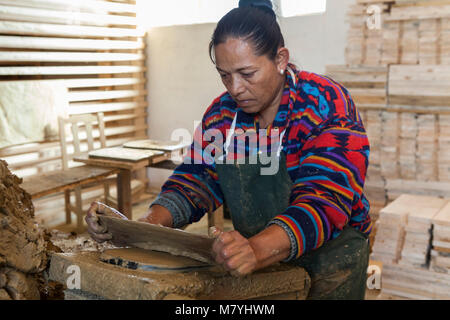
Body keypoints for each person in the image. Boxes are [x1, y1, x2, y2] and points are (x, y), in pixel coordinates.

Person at [86, 0, 372, 300]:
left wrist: (256, 249)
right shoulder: (223, 115)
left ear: (280, 59)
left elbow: (325, 201)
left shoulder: (325, 103)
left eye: (247, 73)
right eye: (224, 75)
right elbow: (196, 180)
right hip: (258, 263)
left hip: (329, 264)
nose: (235, 88)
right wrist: (145, 226)